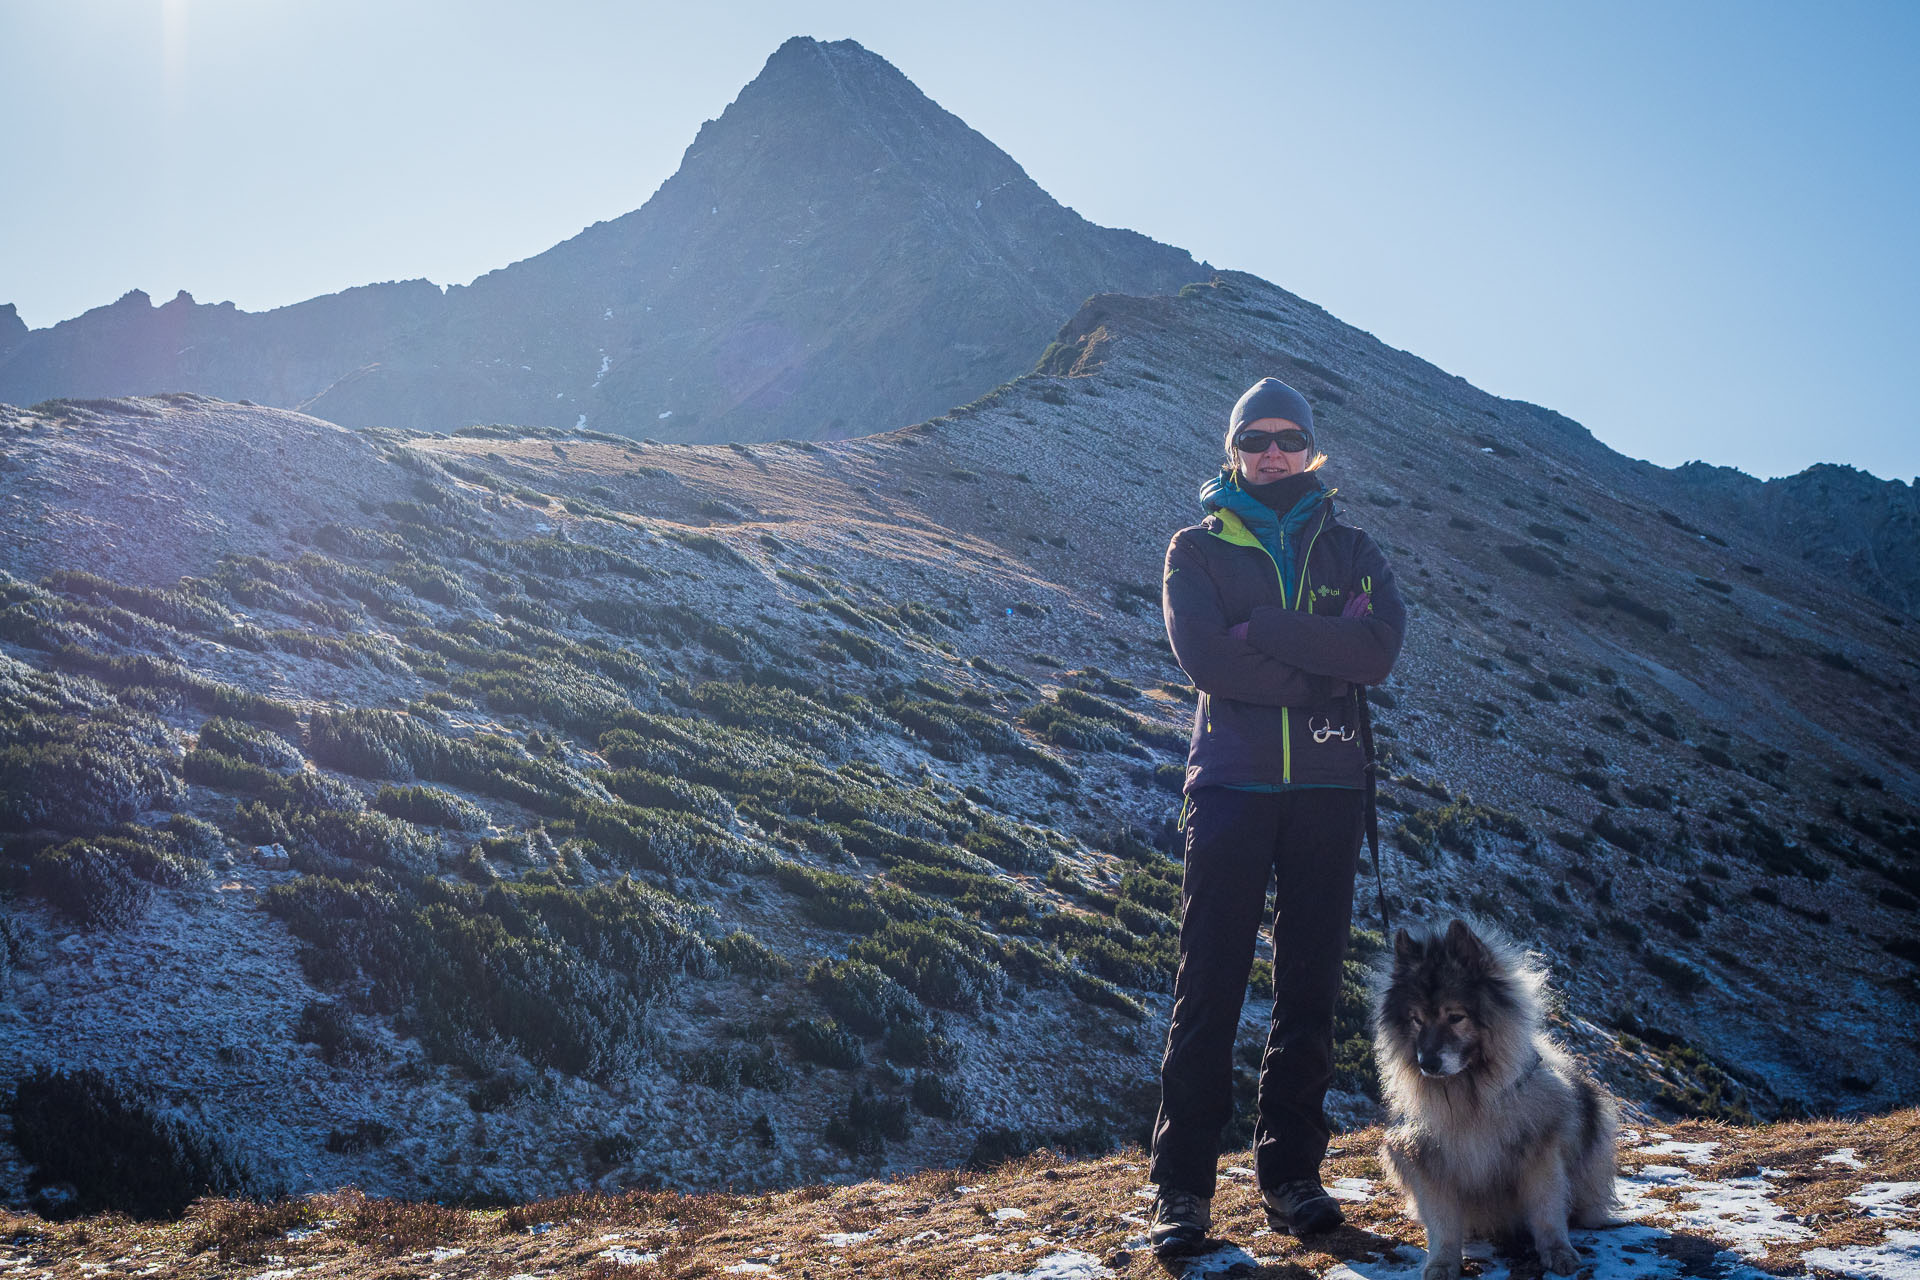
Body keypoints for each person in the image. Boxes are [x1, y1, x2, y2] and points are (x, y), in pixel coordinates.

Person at [1147, 376, 1407, 1258]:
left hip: (1330, 792)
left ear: (1310, 448)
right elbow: (1210, 662)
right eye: (1254, 439)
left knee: (1309, 988)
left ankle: (1292, 1176)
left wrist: (1269, 627)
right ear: (1233, 450)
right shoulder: (1195, 546)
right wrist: (1325, 661)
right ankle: (1181, 1188)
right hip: (1230, 789)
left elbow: (1379, 653)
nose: (1271, 453)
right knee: (1209, 985)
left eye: (1286, 438)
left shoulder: (1355, 547)